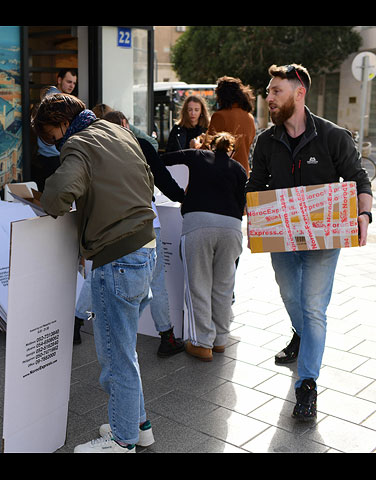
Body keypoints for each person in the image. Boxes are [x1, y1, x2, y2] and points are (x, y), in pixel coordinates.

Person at [246, 64, 373, 421]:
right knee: (290, 296)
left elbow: (359, 180)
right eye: (269, 92)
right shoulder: (265, 141)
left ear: (299, 93)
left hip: (323, 241)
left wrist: (363, 215)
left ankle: (307, 384)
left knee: (314, 307)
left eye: (276, 91)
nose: (268, 98)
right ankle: (301, 335)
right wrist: (255, 212)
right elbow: (254, 187)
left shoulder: (333, 136)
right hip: (282, 240)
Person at [32, 93, 157, 453]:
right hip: (145, 247)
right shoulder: (117, 132)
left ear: (60, 123)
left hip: (115, 256)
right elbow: (147, 178)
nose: (55, 143)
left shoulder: (78, 143)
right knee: (126, 349)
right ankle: (138, 425)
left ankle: (122, 441)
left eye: (52, 136)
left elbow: (57, 195)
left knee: (115, 357)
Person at [103, 109, 185, 356]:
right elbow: (164, 180)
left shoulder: (102, 152)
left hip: (113, 224)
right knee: (156, 281)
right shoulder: (140, 147)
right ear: (126, 124)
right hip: (145, 222)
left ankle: (103, 331)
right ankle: (166, 337)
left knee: (118, 281)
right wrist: (185, 198)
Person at [162, 133, 247, 361]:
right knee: (223, 286)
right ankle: (220, 341)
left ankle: (202, 343)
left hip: (198, 224)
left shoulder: (197, 155)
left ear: (211, 145)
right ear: (231, 150)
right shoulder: (238, 169)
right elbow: (242, 205)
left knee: (198, 284)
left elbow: (166, 159)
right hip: (231, 228)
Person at [207, 76, 256, 175]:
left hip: (224, 173)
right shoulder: (249, 117)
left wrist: (195, 145)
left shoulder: (219, 116)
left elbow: (208, 148)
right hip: (244, 172)